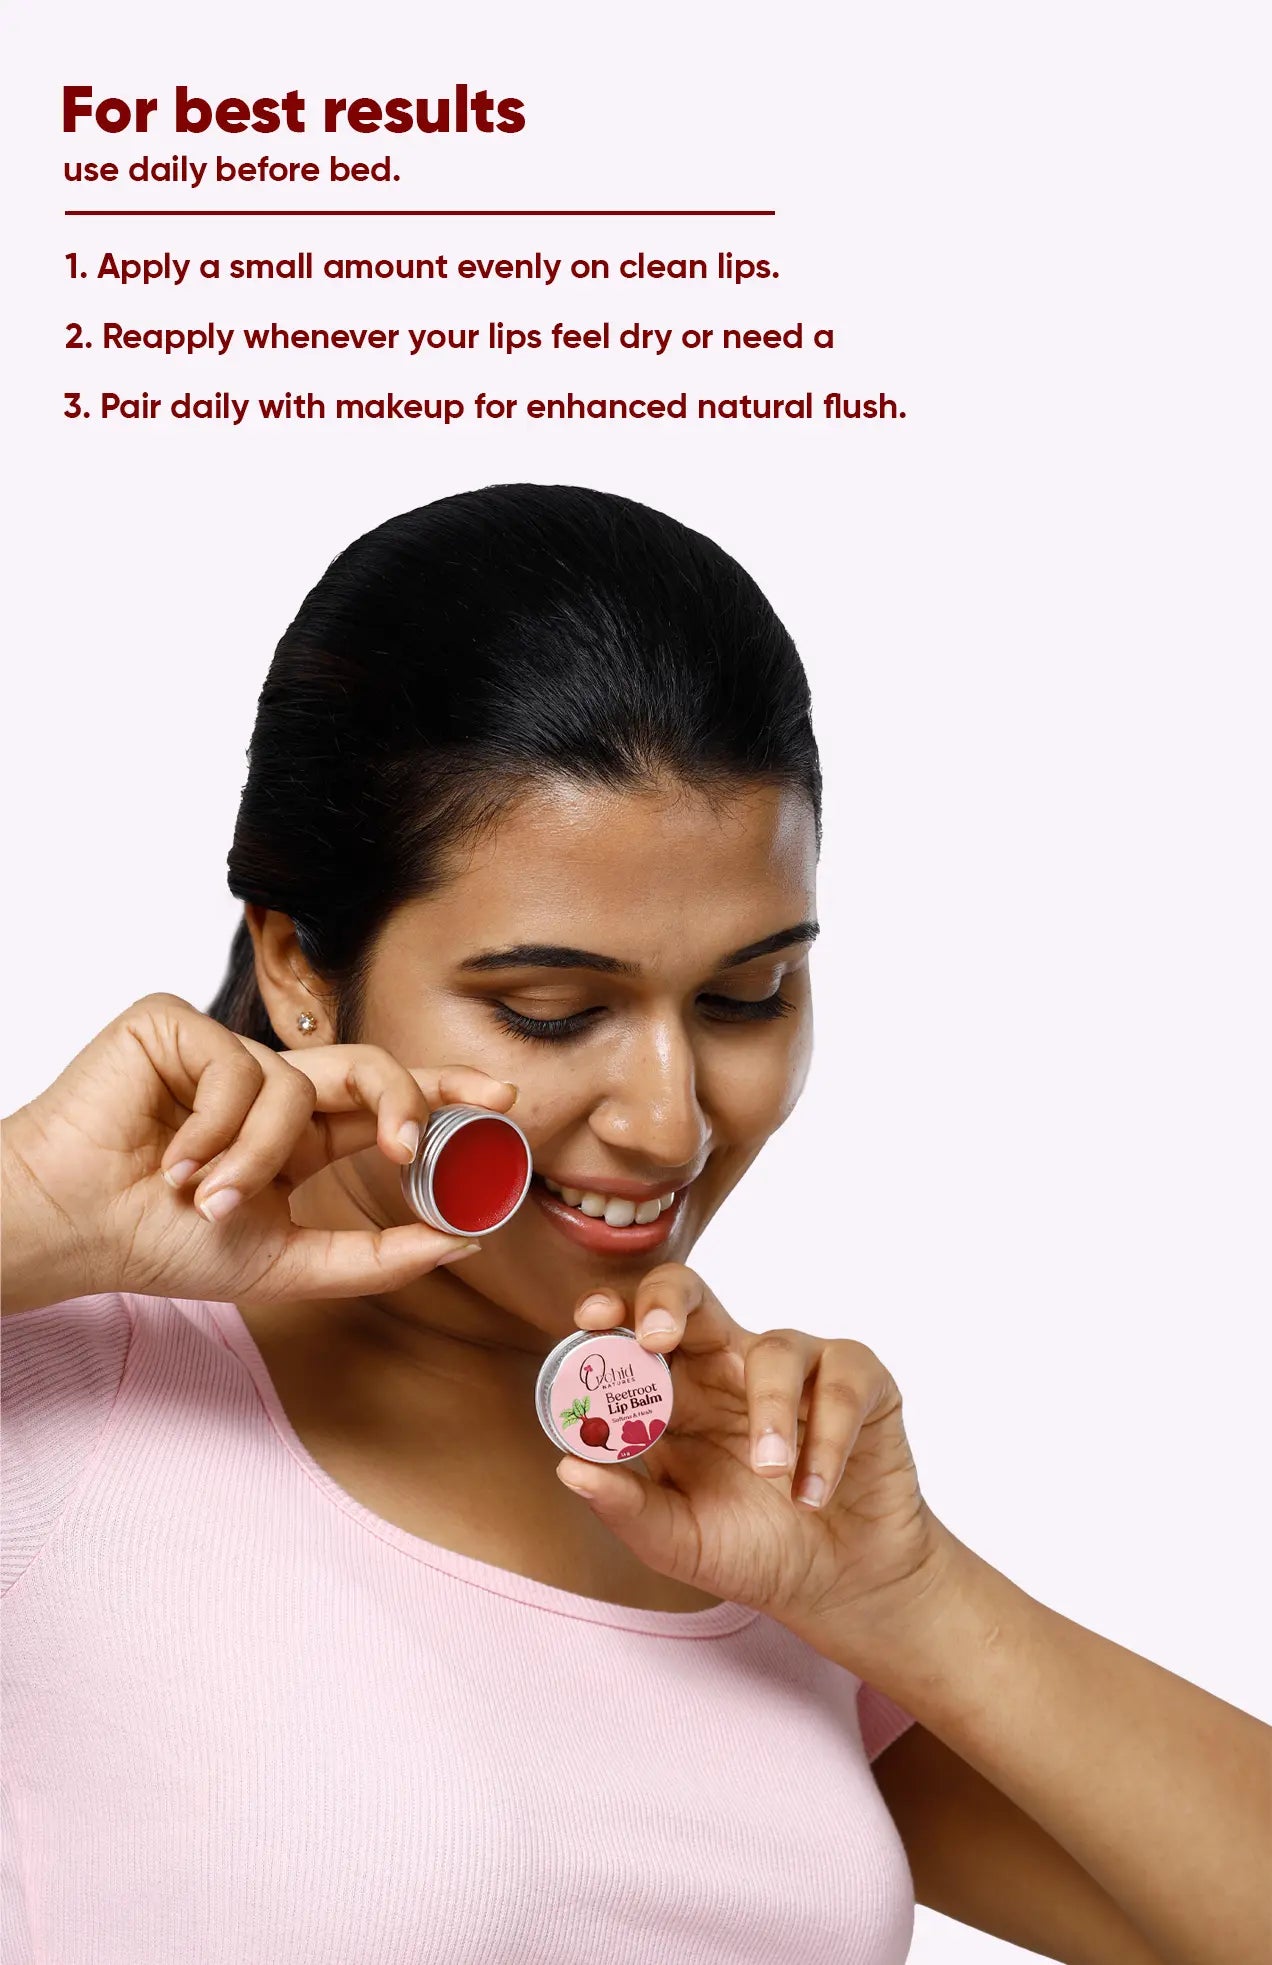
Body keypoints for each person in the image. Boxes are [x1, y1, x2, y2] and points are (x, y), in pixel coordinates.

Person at [1, 484, 1266, 1965]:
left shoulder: (748, 1518)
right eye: (554, 1010)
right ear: (295, 959)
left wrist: (911, 1598)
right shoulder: (67, 1383)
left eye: (747, 996)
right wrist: (21, 1215)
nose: (671, 1118)